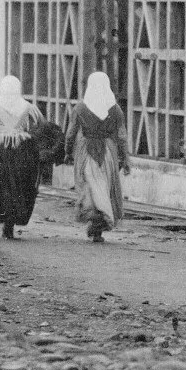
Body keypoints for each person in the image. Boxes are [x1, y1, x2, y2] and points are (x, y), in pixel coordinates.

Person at [0, 76, 47, 240]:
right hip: (22, 151)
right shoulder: (28, 108)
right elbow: (42, 128)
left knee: (0, 186)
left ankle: (4, 219)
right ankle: (11, 222)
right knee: (19, 187)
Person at [68, 71, 130, 242]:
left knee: (89, 186)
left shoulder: (80, 108)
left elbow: (71, 133)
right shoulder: (115, 109)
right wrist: (126, 159)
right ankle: (99, 226)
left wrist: (67, 152)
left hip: (86, 150)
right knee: (104, 186)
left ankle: (95, 219)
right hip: (108, 151)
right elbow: (122, 135)